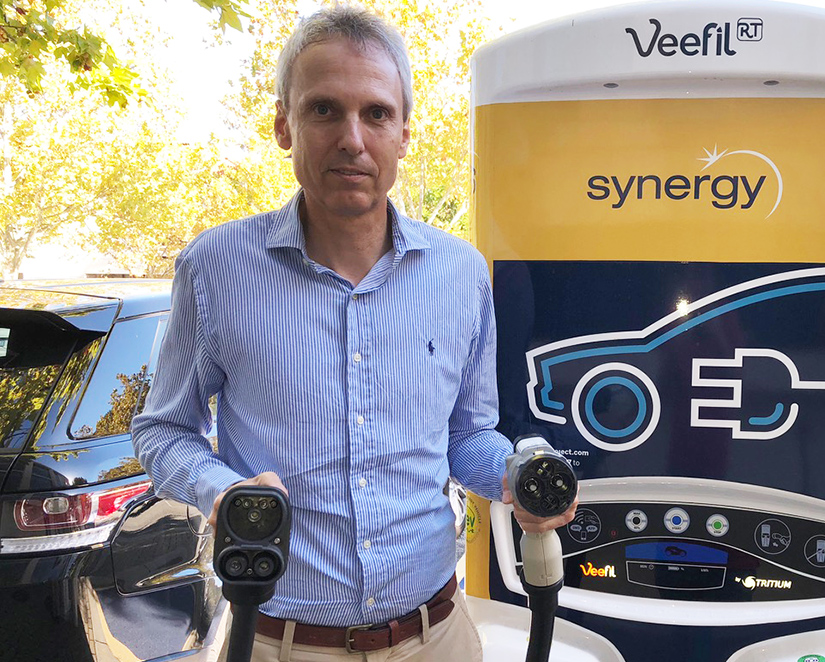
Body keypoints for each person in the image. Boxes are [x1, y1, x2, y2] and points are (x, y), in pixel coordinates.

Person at [131, 6, 576, 661]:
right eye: (323, 110)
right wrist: (222, 491)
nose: (352, 138)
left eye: (375, 113)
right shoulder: (215, 270)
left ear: (403, 135)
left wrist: (514, 479)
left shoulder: (459, 275)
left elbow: (465, 435)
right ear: (284, 125)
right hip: (279, 642)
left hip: (437, 637)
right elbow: (162, 430)